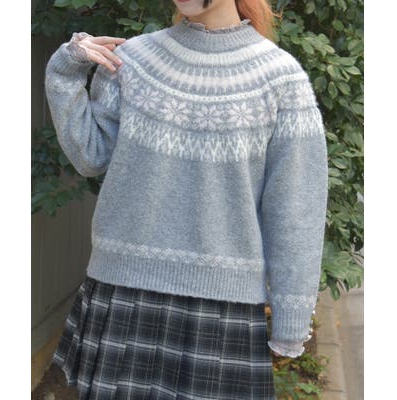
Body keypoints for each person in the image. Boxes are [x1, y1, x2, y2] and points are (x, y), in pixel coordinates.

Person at [44, 0, 328, 398]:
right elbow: (90, 155)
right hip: (123, 289)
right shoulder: (133, 60)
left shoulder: (280, 79)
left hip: (223, 306)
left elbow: (296, 211)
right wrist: (65, 71)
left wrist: (291, 320)